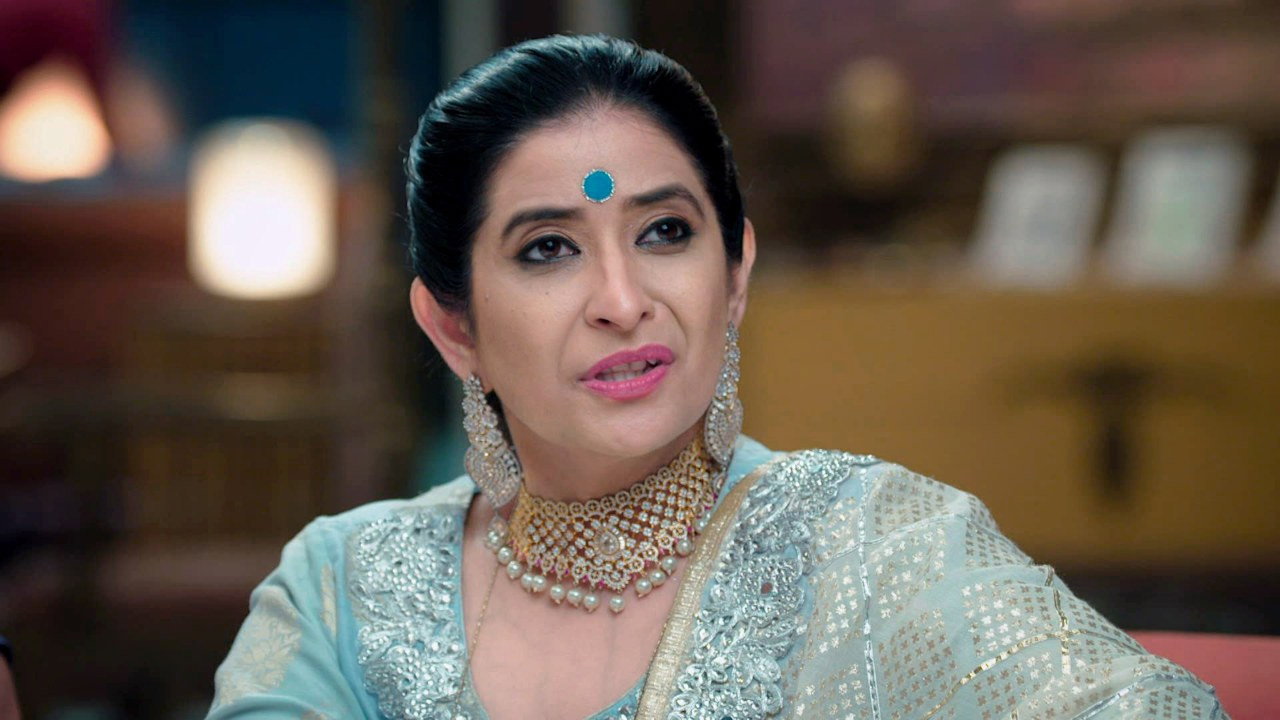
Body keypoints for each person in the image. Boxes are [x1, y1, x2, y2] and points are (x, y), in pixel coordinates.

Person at [206, 35, 1227, 719]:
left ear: (733, 275)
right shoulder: (345, 592)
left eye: (663, 232)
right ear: (452, 328)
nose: (622, 300)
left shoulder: (877, 549)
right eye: (548, 249)